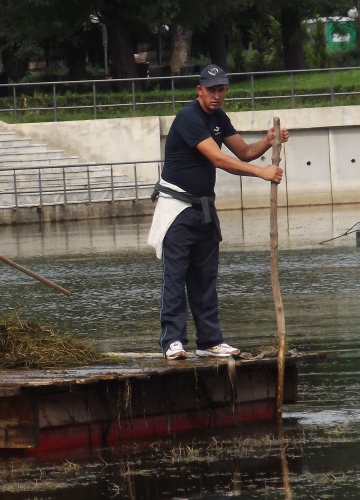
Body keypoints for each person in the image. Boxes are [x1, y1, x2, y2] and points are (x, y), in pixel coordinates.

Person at [148, 64, 289, 360]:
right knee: (176, 276)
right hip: (177, 209)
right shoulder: (189, 117)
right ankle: (172, 340)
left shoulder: (219, 118)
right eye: (211, 89)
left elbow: (244, 152)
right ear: (199, 89)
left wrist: (268, 141)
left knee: (205, 277)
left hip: (204, 210)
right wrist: (261, 173)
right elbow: (218, 159)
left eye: (221, 89)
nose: (216, 95)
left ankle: (209, 340)